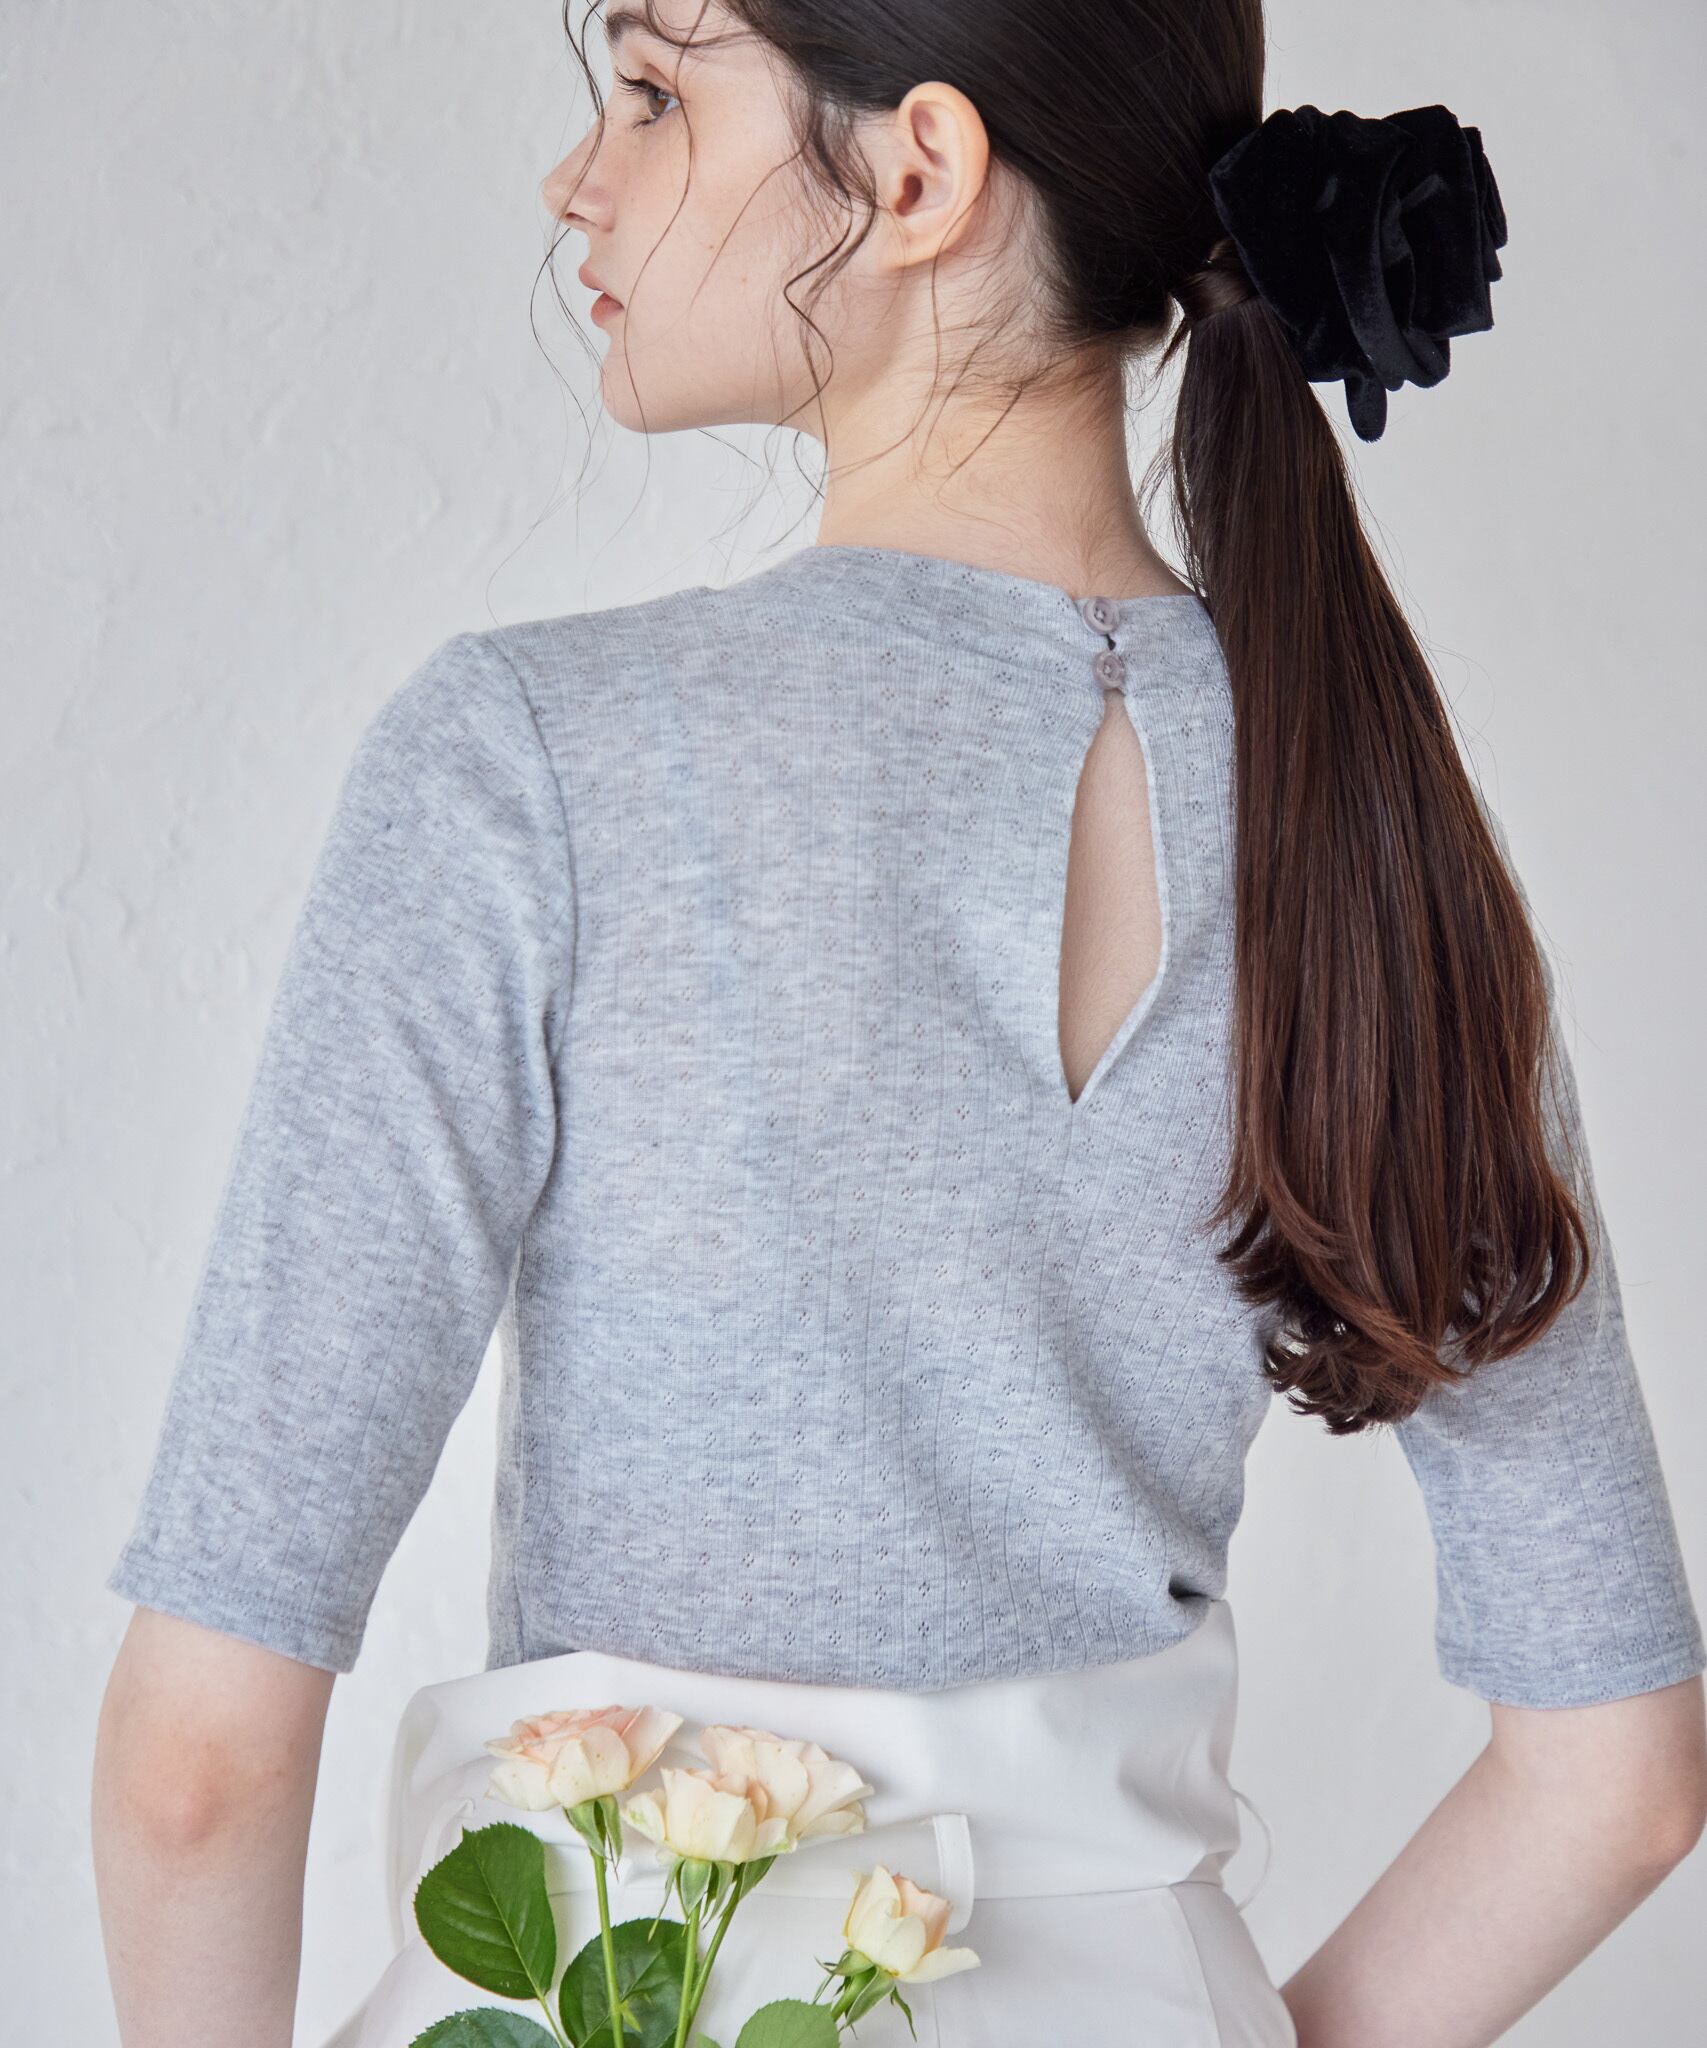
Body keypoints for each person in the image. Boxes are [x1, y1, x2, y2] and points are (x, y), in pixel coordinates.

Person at [91, 2, 1707, 2043]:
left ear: (920, 170)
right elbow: (1617, 1778)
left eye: (657, 92)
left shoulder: (533, 762)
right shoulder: (1378, 834)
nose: (578, 178)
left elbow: (200, 1763)